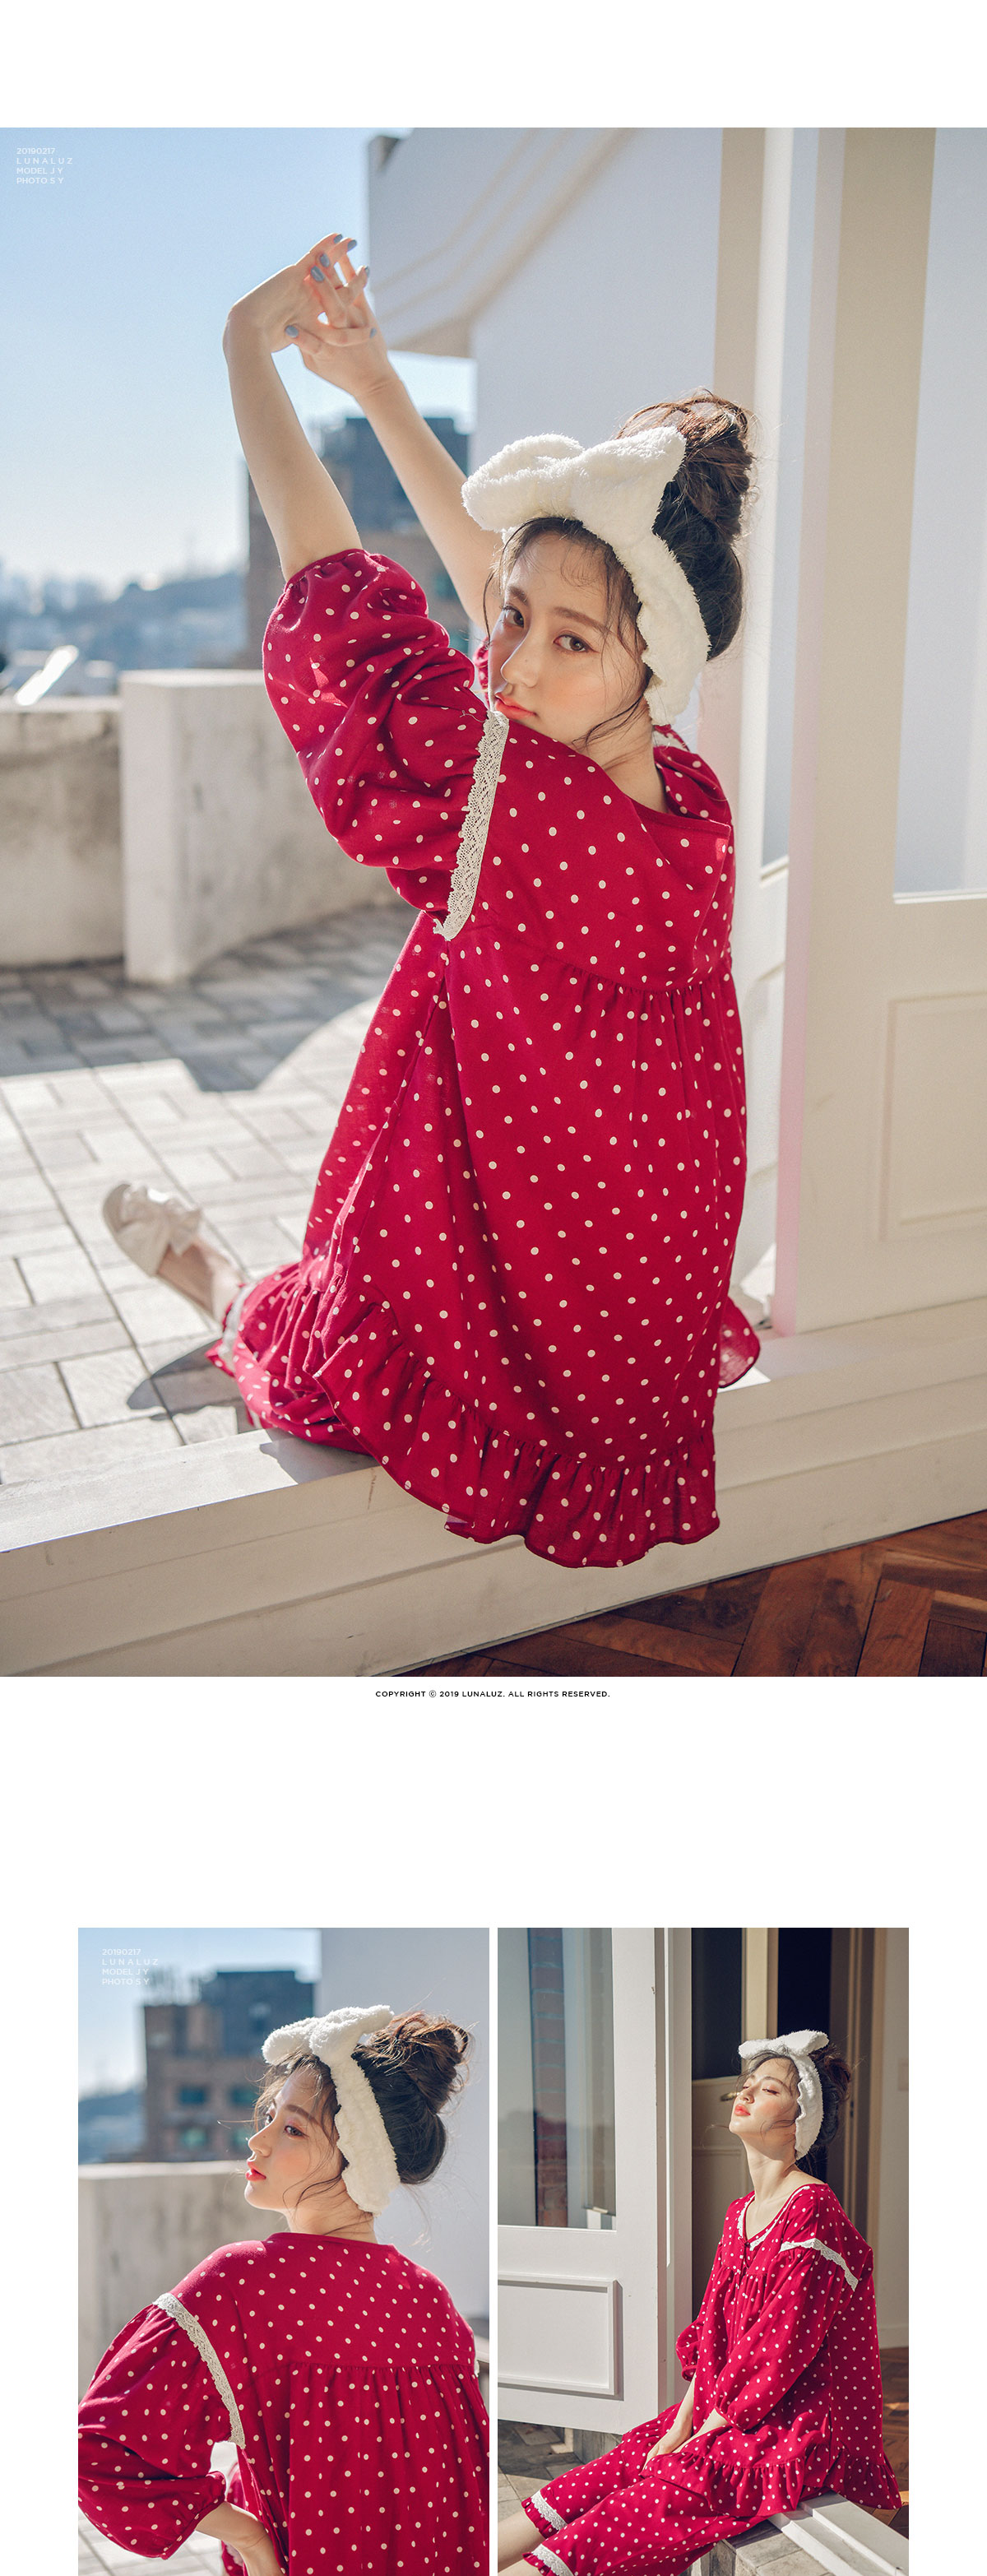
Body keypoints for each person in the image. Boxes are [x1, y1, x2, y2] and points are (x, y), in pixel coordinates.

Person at [103, 231, 758, 1571]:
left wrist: (246, 352)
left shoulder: (499, 804)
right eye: (512, 619)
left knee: (304, 1348)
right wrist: (380, 390)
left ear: (652, 665)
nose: (507, 663)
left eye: (567, 641)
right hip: (635, 1311)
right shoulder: (687, 800)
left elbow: (328, 576)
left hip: (508, 1278)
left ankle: (211, 1279)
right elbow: (521, 599)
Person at [78, 2005, 489, 2576]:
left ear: (359, 2156)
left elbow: (101, 2452)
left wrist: (250, 2537)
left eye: (292, 2127)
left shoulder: (244, 2281)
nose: (258, 2140)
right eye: (268, 2115)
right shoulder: (433, 2304)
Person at [498, 2029, 900, 2576]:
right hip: (735, 2411)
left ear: (800, 2120)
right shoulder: (741, 2214)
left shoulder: (813, 2211)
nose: (747, 2094)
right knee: (603, 2472)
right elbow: (714, 2339)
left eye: (769, 2089)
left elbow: (777, 2357)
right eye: (747, 2084)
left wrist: (702, 2438)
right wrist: (680, 2426)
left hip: (795, 2427)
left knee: (630, 2509)